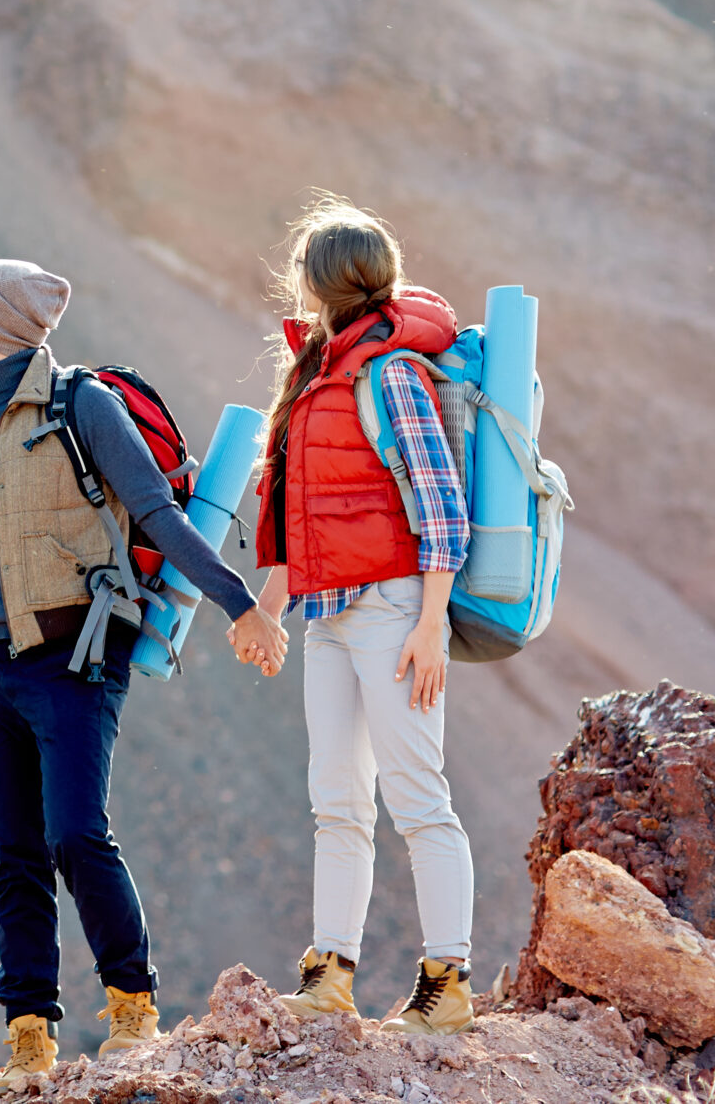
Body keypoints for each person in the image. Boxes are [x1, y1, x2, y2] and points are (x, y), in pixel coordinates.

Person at [0, 258, 288, 1097]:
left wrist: (241, 606)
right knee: (13, 848)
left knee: (74, 833)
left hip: (77, 653)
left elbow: (157, 511)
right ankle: (29, 1037)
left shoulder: (83, 404)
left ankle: (131, 1003)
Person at [233, 200, 476, 1035]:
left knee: (417, 796)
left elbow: (443, 504)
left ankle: (449, 982)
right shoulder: (313, 375)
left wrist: (429, 620)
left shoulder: (390, 373)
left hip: (395, 609)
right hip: (329, 617)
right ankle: (330, 971)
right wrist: (268, 608)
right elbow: (294, 510)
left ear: (321, 277)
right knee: (336, 799)